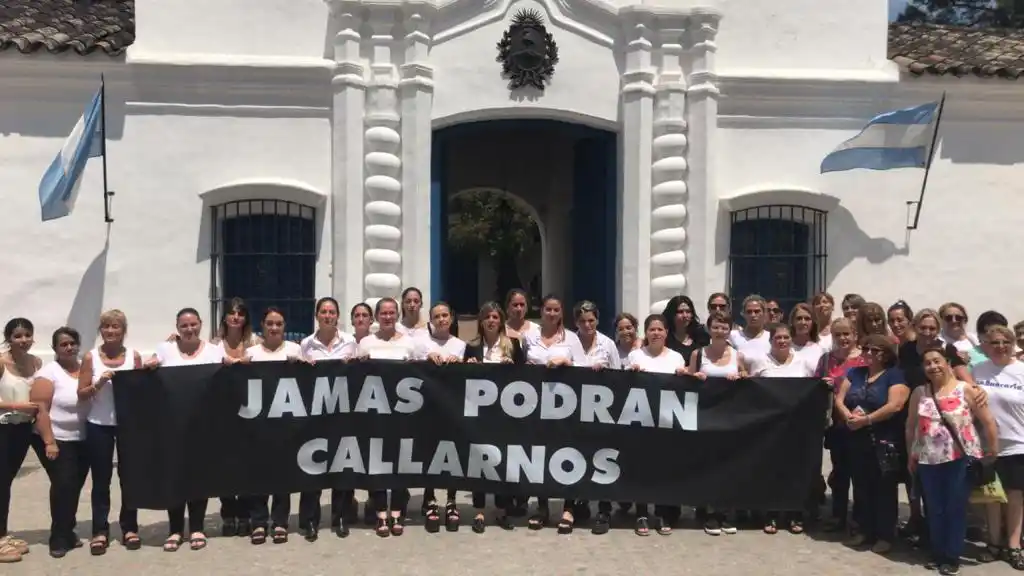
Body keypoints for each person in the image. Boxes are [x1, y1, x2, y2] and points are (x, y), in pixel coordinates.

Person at [907, 345, 999, 576]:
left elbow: (988, 421)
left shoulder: (965, 389)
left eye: (937, 361)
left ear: (948, 363)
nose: (933, 366)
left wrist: (992, 451)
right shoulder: (920, 392)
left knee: (954, 508)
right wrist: (911, 454)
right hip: (928, 459)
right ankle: (938, 553)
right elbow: (911, 427)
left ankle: (951, 556)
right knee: (935, 509)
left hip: (960, 458)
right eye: (928, 363)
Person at [145, 308, 226, 552]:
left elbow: (226, 379)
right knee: (175, 476)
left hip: (203, 426)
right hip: (172, 426)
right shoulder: (165, 350)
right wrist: (150, 365)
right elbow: (152, 374)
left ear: (201, 324)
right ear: (177, 328)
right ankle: (175, 529)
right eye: (184, 325)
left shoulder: (214, 350)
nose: (189, 329)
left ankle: (197, 527)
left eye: (193, 324)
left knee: (198, 477)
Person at [834, 334, 909, 554]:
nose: (866, 353)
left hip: (883, 440)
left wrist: (866, 420)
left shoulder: (895, 375)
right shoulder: (856, 373)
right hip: (856, 439)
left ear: (884, 354)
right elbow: (840, 398)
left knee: (883, 488)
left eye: (872, 350)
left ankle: (885, 534)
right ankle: (863, 529)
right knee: (861, 485)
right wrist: (848, 416)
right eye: (865, 348)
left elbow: (895, 405)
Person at [77, 309, 143, 555]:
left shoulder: (133, 356)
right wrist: (100, 383)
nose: (111, 331)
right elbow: (81, 393)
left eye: (116, 326)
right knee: (101, 480)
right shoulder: (91, 357)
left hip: (127, 426)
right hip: (98, 425)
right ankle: (100, 530)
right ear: (100, 331)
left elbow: (141, 391)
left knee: (129, 478)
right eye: (106, 327)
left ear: (123, 331)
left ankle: (129, 527)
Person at [463, 302, 525, 533]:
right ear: (481, 321)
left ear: (501, 321)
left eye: (495, 317)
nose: (491, 320)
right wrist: (467, 366)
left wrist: (513, 368)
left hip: (505, 415)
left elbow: (526, 378)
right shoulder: (472, 347)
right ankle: (479, 510)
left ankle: (501, 510)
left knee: (502, 461)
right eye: (487, 316)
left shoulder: (514, 345)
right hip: (480, 414)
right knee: (479, 461)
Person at [245, 307, 305, 545]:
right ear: (262, 326)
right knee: (258, 473)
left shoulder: (294, 350)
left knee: (283, 474)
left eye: (278, 324)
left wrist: (300, 364)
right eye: (269, 323)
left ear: (284, 327)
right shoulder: (251, 353)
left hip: (286, 423)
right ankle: (258, 522)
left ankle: (280, 521)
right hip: (258, 424)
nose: (274, 328)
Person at [298, 297, 356, 540]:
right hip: (315, 416)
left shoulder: (350, 342)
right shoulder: (306, 344)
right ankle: (309, 520)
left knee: (342, 466)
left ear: (338, 316)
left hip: (343, 414)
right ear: (317, 315)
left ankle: (341, 517)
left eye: (332, 312)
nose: (328, 316)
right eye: (323, 312)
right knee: (313, 467)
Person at [30, 327, 90, 558]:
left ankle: (68, 529)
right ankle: (58, 537)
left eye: (73, 343)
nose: (69, 347)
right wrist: (49, 442)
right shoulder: (48, 373)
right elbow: (41, 409)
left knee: (73, 487)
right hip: (56, 438)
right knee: (64, 485)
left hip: (82, 438)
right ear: (55, 348)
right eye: (63, 344)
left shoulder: (84, 369)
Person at [627, 314, 689, 537]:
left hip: (667, 423)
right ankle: (642, 512)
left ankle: (662, 512)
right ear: (646, 333)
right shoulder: (635, 356)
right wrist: (630, 374)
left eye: (660, 329)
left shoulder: (676, 358)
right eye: (652, 329)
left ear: (666, 333)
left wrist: (685, 376)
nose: (656, 333)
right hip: (641, 422)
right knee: (642, 468)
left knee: (664, 469)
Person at [970, 325, 1024, 568]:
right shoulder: (978, 370)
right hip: (987, 445)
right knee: (991, 497)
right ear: (985, 346)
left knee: (1015, 496)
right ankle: (993, 543)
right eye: (995, 343)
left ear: (1013, 344)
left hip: (1018, 444)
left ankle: (1013, 545)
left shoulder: (1021, 370)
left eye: (1005, 342)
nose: (1000, 346)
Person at [690, 311, 743, 536]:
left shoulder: (737, 355)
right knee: (708, 465)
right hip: (704, 417)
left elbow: (747, 378)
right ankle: (709, 512)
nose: (720, 330)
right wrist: (694, 377)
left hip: (730, 418)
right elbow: (686, 383)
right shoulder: (697, 354)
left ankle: (726, 512)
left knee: (729, 465)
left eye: (724, 327)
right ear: (709, 329)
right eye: (716, 326)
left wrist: (741, 377)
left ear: (730, 330)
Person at [0, 318, 41, 562]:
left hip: (23, 430)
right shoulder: (1, 362)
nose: (23, 340)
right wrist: (17, 405)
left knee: (6, 482)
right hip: (2, 427)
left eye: (27, 334)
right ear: (9, 338)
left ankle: (3, 533)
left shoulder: (36, 362)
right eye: (17, 336)